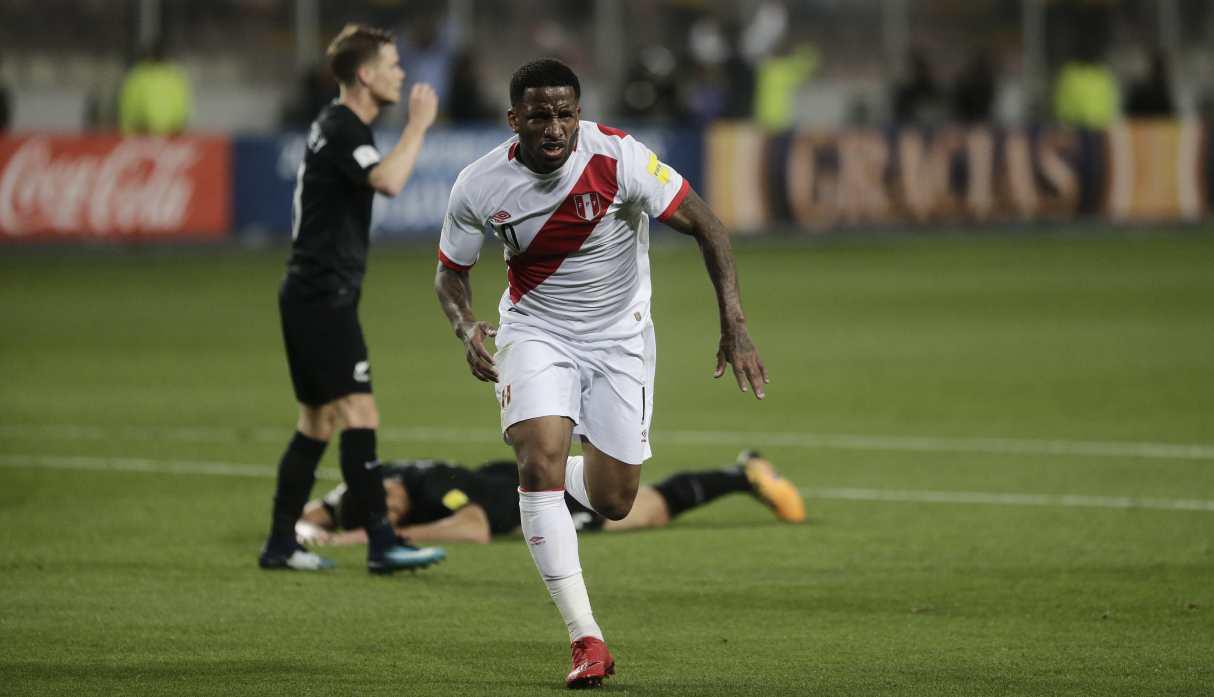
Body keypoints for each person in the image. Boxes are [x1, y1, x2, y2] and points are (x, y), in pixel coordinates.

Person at [434, 58, 768, 688]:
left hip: (621, 338)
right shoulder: (479, 185)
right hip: (535, 330)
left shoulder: (620, 159)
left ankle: (549, 486)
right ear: (515, 121)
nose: (555, 127)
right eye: (539, 115)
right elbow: (451, 271)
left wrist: (736, 323)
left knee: (617, 499)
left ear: (579, 114)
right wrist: (467, 326)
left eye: (565, 113)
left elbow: (708, 225)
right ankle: (586, 639)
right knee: (539, 461)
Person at [259, 24, 444, 575]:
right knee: (359, 412)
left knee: (316, 423)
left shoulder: (335, 125)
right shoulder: (342, 126)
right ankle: (381, 542)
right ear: (364, 75)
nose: (401, 72)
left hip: (310, 294)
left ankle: (278, 545)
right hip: (322, 297)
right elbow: (387, 181)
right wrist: (417, 126)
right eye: (391, 63)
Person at [295, 451, 805, 546]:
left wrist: (379, 537)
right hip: (521, 484)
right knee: (643, 506)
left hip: (541, 495)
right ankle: (743, 474)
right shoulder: (366, 484)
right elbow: (308, 518)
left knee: (645, 510)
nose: (392, 510)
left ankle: (744, 475)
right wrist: (312, 531)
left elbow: (472, 527)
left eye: (389, 508)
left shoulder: (429, 487)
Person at [118, 39, 192, 135]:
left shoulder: (139, 75)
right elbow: (128, 105)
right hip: (144, 132)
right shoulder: (140, 74)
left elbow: (127, 105)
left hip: (167, 133)